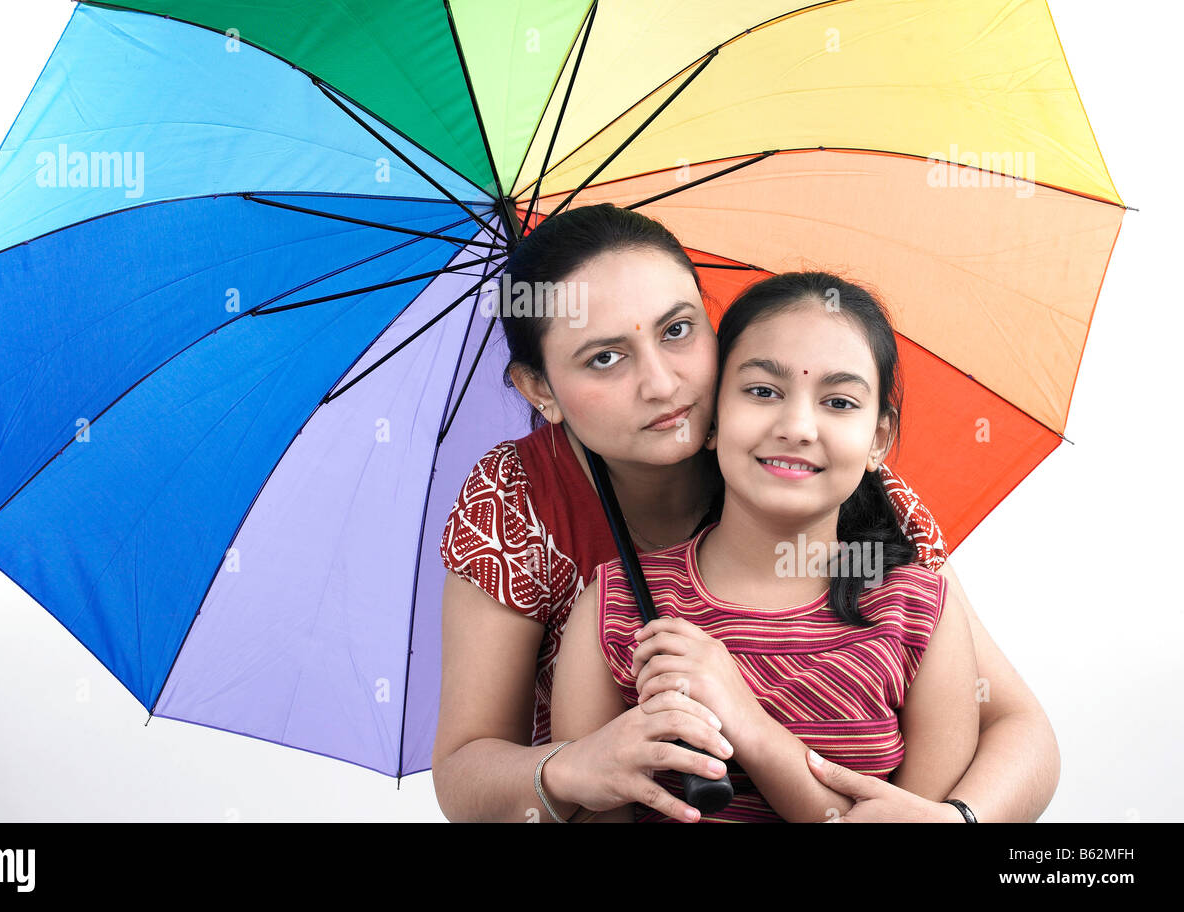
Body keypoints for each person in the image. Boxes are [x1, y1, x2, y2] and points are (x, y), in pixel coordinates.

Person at [431, 203, 1058, 823]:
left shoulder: (826, 480)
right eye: (605, 357)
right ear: (541, 389)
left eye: (677, 330)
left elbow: (1015, 724)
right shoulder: (517, 503)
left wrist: (957, 821)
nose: (661, 384)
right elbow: (465, 768)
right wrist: (571, 767)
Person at [551, 270, 980, 821]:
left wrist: (746, 722)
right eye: (762, 392)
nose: (798, 426)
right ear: (711, 417)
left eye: (840, 402)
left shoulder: (921, 611)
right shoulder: (615, 608)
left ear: (879, 440)